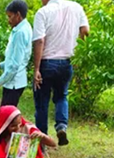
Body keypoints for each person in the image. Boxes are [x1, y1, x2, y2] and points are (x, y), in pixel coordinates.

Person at [33, 0, 89, 146]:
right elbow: (85, 31)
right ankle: (61, 126)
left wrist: (36, 68)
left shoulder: (43, 12)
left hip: (46, 62)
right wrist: (77, 51)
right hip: (67, 62)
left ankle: (42, 141)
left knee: (42, 102)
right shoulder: (77, 7)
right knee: (61, 96)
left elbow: (39, 41)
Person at [0, 0, 32, 108]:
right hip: (14, 81)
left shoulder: (20, 32)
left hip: (14, 82)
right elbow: (15, 58)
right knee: (8, 112)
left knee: (7, 113)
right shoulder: (23, 28)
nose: (8, 20)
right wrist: (0, 65)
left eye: (10, 16)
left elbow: (15, 64)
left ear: (18, 15)